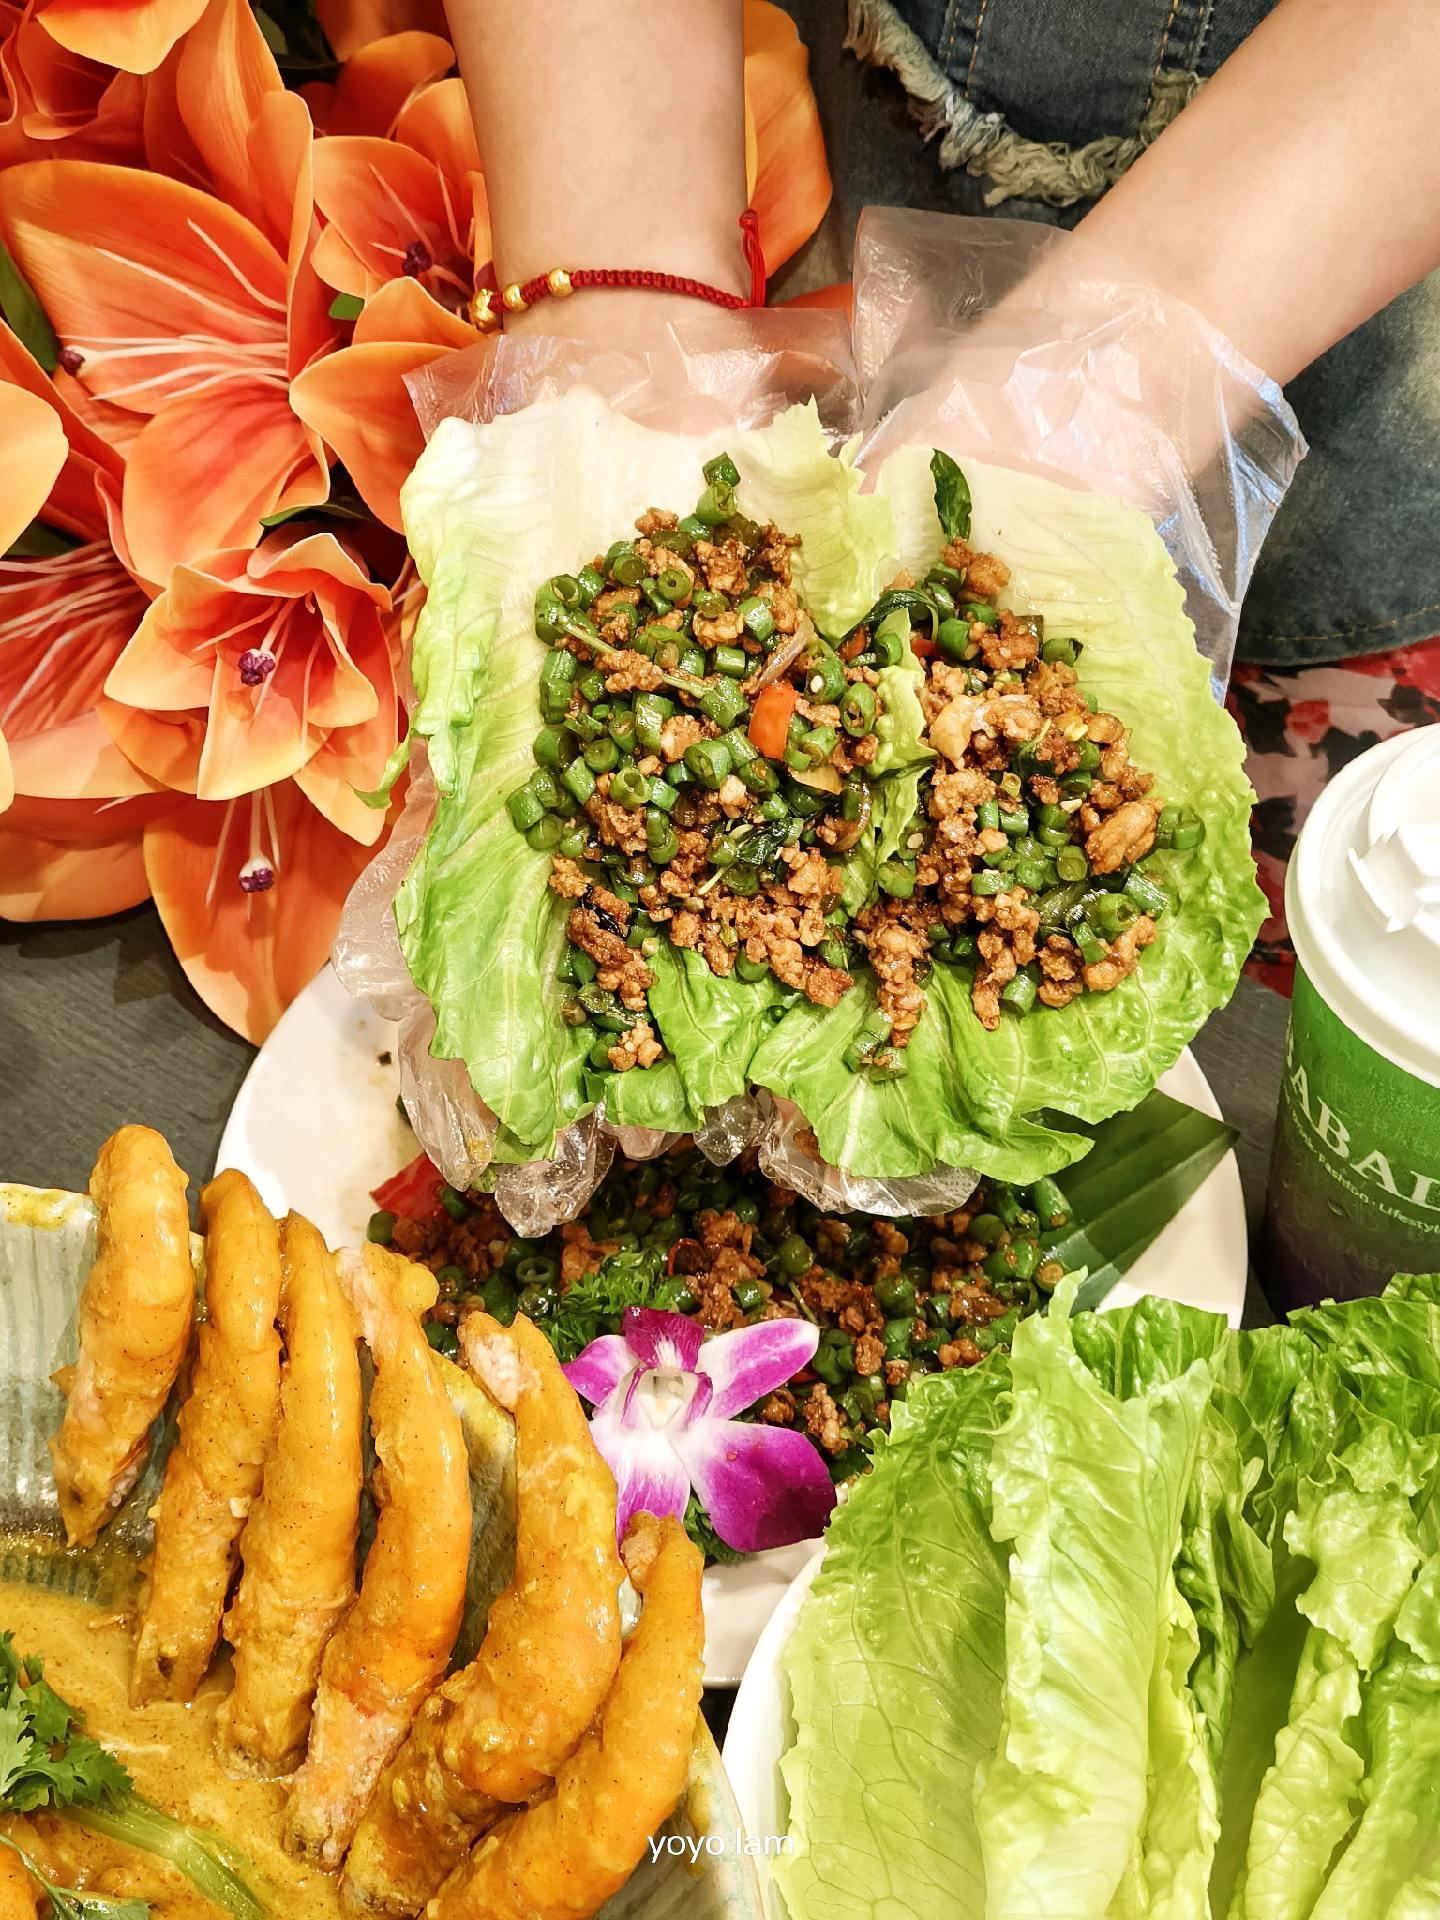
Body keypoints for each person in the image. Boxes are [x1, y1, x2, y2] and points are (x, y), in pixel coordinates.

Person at [444, 0, 1440, 986]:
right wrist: (623, 343)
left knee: (1349, 962)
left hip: (1352, 386)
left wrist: (1096, 386)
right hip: (833, 237)